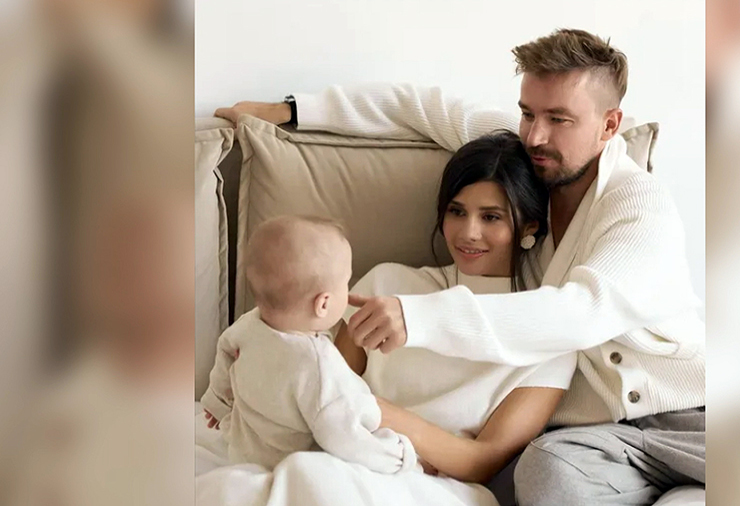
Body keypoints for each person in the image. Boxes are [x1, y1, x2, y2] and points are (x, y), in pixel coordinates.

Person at [217, 28, 705, 506]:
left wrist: (419, 317)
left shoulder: (639, 205)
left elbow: (581, 314)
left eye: (559, 119)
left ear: (609, 124)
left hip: (688, 417)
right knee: (546, 477)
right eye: (527, 113)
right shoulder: (530, 161)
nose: (536, 135)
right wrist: (289, 111)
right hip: (599, 441)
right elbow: (422, 109)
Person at [332, 130, 576, 490]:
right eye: (457, 211)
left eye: (491, 217)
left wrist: (378, 412)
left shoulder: (551, 337)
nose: (468, 232)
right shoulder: (387, 285)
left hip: (438, 490)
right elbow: (327, 392)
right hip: (344, 461)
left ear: (529, 226)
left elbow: (482, 461)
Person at [199, 216, 418, 473]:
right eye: (345, 283)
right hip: (288, 467)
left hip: (242, 452)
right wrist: (400, 456)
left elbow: (225, 352)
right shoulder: (320, 366)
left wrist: (216, 402)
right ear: (323, 304)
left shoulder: (249, 325)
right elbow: (345, 438)